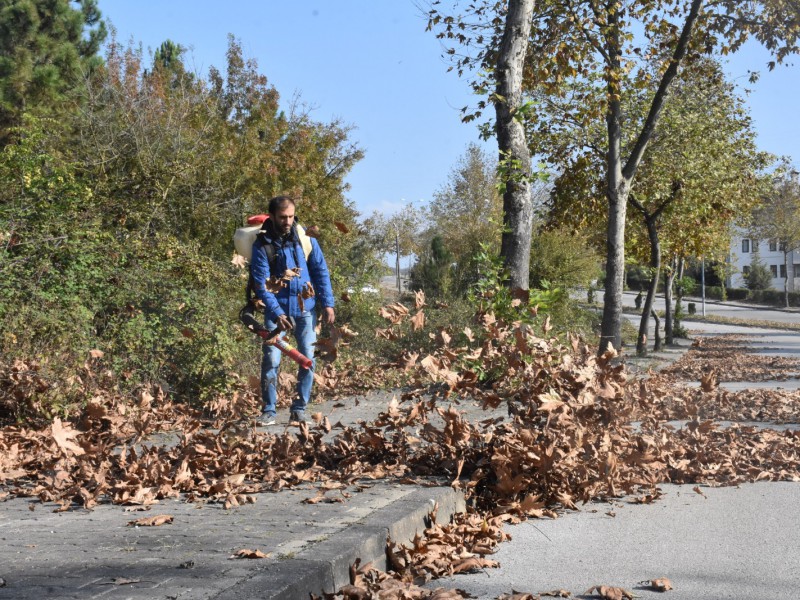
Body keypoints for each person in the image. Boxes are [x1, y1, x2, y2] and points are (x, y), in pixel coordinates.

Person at [250, 196, 335, 425]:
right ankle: (269, 410)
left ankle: (299, 408)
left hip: (305, 311)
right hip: (275, 315)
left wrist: (328, 303)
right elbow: (262, 285)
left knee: (308, 359)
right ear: (272, 217)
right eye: (282, 217)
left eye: (291, 216)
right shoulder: (262, 245)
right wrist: (278, 313)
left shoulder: (305, 239)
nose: (287, 221)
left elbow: (320, 271)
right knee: (271, 360)